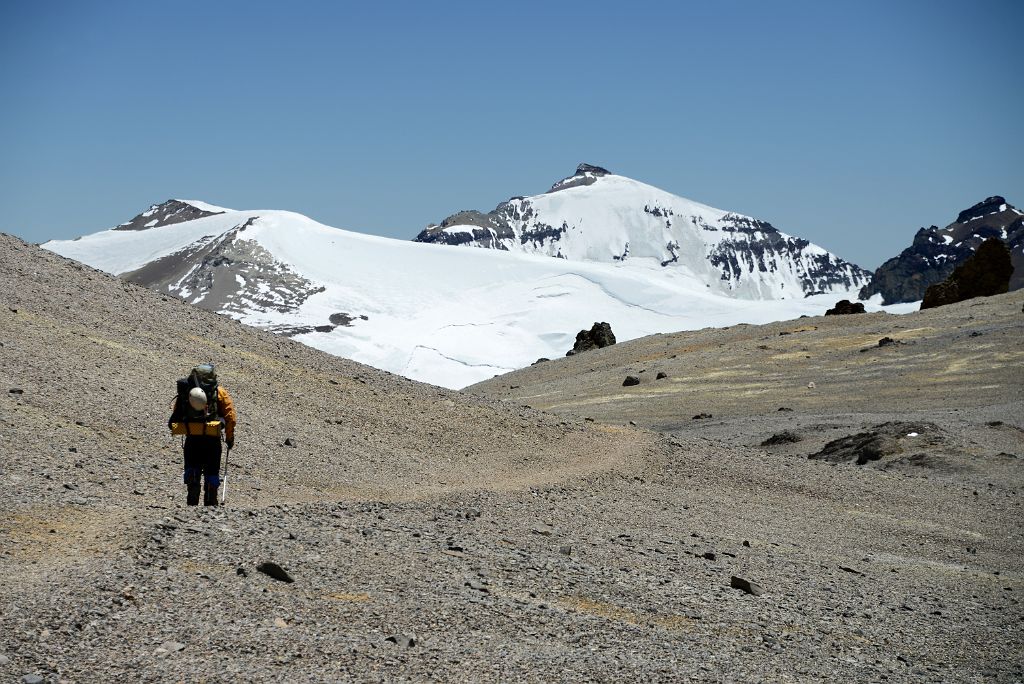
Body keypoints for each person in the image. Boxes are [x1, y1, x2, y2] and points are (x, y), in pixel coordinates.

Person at [167, 363, 236, 506]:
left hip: (192, 438)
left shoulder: (187, 393)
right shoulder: (220, 392)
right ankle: (211, 498)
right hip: (213, 440)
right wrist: (229, 438)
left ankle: (192, 486)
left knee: (192, 465)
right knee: (212, 469)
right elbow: (230, 417)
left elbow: (176, 415)